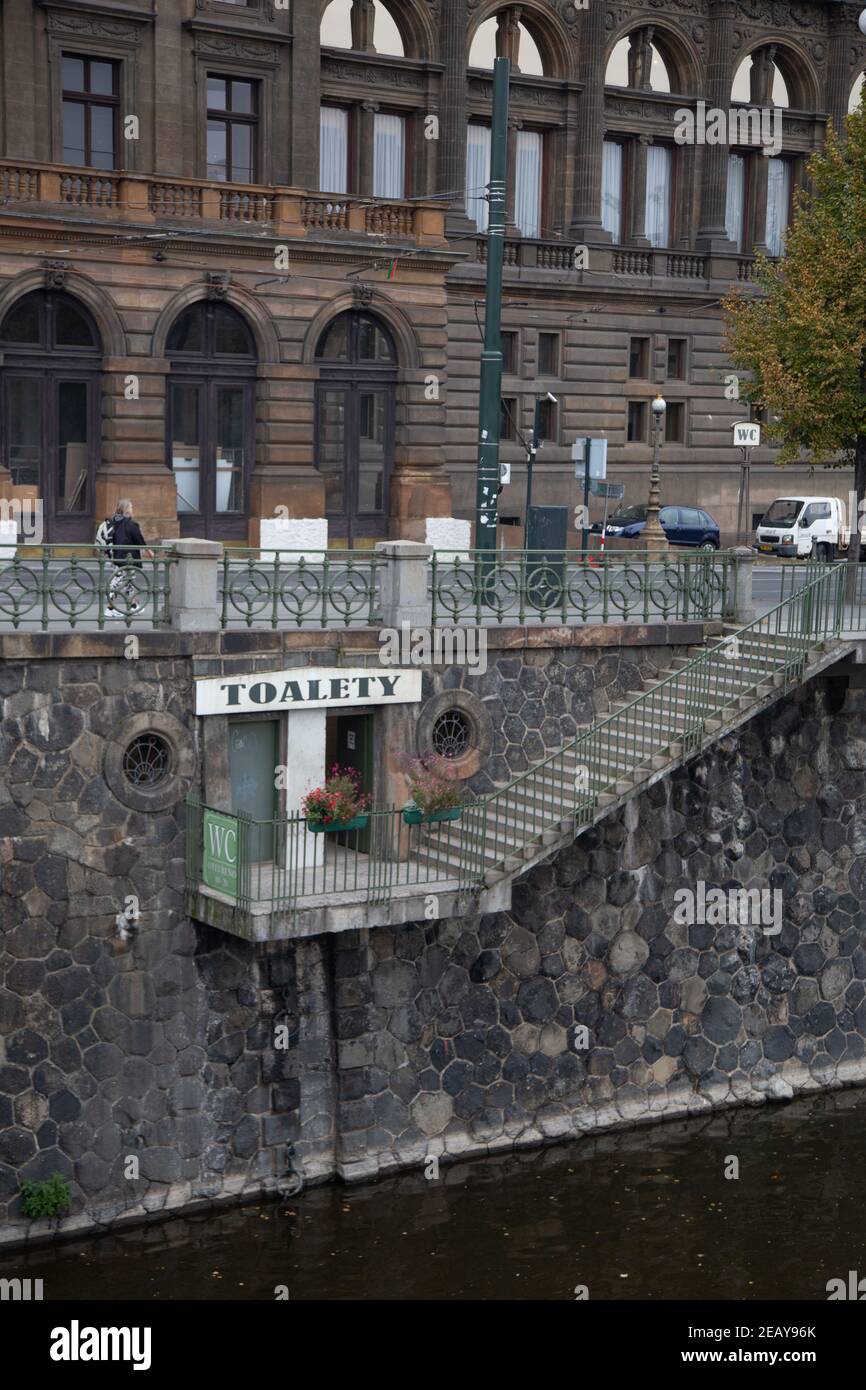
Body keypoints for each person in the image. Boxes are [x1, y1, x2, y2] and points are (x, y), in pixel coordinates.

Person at [103, 500, 154, 618]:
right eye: (131, 507)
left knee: (128, 581)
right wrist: (148, 550)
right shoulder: (131, 524)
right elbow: (139, 539)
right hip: (128, 557)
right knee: (117, 582)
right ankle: (109, 608)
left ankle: (133, 606)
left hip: (117, 556)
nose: (132, 510)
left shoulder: (113, 521)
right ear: (126, 510)